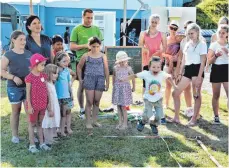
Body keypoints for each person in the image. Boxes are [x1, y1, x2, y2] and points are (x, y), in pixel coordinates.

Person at [121, 56, 176, 135]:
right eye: (153, 67)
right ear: (149, 67)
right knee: (148, 114)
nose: (156, 69)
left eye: (158, 67)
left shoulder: (162, 73)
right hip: (148, 98)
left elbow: (169, 77)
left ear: (161, 67)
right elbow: (135, 75)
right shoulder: (145, 73)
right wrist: (124, 79)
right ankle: (142, 122)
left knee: (160, 115)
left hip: (158, 99)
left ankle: (154, 124)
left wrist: (174, 86)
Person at [70, 8, 103, 119]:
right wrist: (85, 45)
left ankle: (94, 107)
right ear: (83, 17)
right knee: (82, 85)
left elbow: (100, 45)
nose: (89, 20)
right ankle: (82, 109)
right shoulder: (76, 29)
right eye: (87, 17)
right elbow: (72, 46)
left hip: (95, 61)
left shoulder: (97, 29)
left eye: (91, 18)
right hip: (82, 61)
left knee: (95, 86)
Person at [172, 23, 207, 126]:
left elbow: (203, 61)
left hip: (197, 69)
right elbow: (183, 60)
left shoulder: (202, 44)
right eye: (188, 34)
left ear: (197, 32)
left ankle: (194, 118)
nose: (190, 35)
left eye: (192, 33)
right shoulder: (187, 44)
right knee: (175, 93)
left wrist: (200, 77)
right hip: (187, 70)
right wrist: (179, 74)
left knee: (196, 95)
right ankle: (176, 117)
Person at [1, 30, 32, 144]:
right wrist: (13, 77)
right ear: (13, 40)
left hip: (28, 87)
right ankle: (15, 136)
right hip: (14, 87)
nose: (23, 42)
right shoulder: (8, 54)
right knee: (16, 111)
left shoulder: (29, 54)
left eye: (24, 40)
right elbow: (2, 71)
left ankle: (32, 135)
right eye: (21, 39)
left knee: (30, 111)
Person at [77, 37, 109, 135]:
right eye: (93, 46)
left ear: (100, 46)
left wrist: (107, 82)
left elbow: (106, 69)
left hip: (100, 79)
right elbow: (79, 67)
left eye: (97, 46)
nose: (95, 48)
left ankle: (95, 121)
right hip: (89, 79)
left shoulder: (103, 56)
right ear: (89, 46)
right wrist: (80, 79)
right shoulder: (86, 56)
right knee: (89, 101)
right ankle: (88, 122)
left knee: (96, 101)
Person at [25, 53, 51, 153]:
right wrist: (29, 106)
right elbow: (28, 94)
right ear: (35, 65)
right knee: (32, 124)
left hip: (42, 105)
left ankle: (42, 143)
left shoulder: (43, 76)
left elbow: (46, 90)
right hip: (33, 106)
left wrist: (48, 103)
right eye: (42, 65)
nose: (44, 67)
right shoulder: (29, 78)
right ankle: (32, 145)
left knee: (40, 124)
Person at [138, 14, 167, 92]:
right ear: (149, 22)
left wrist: (160, 51)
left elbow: (165, 48)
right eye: (152, 22)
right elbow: (140, 46)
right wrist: (145, 50)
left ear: (158, 23)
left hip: (157, 61)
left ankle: (155, 100)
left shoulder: (162, 34)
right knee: (145, 82)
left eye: (156, 22)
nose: (154, 24)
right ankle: (145, 101)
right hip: (146, 60)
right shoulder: (143, 33)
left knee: (156, 82)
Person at [207, 24, 228, 124]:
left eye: (223, 33)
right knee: (216, 95)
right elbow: (209, 61)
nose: (221, 34)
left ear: (227, 34)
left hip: (227, 69)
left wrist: (228, 53)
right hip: (216, 69)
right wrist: (216, 55)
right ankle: (216, 116)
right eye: (219, 32)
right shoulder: (214, 45)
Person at [54, 51, 76, 136]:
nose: (67, 63)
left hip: (67, 96)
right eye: (64, 61)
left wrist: (71, 93)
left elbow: (69, 81)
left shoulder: (67, 71)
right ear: (58, 61)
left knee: (68, 112)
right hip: (58, 97)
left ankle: (68, 127)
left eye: (68, 61)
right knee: (60, 113)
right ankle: (59, 128)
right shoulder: (55, 71)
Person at [112, 51, 135, 130]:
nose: (122, 63)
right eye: (120, 61)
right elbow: (114, 76)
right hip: (118, 88)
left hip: (125, 89)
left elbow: (132, 77)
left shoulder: (128, 68)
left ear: (126, 60)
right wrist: (113, 85)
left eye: (124, 61)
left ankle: (125, 124)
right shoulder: (116, 68)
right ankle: (120, 123)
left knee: (123, 107)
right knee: (118, 106)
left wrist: (134, 87)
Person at [42, 64, 60, 145]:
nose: (57, 75)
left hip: (53, 106)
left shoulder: (51, 83)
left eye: (57, 73)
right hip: (49, 107)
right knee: (47, 123)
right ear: (49, 73)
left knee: (51, 122)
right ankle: (47, 140)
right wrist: (49, 109)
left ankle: (51, 138)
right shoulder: (46, 84)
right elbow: (47, 98)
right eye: (55, 73)